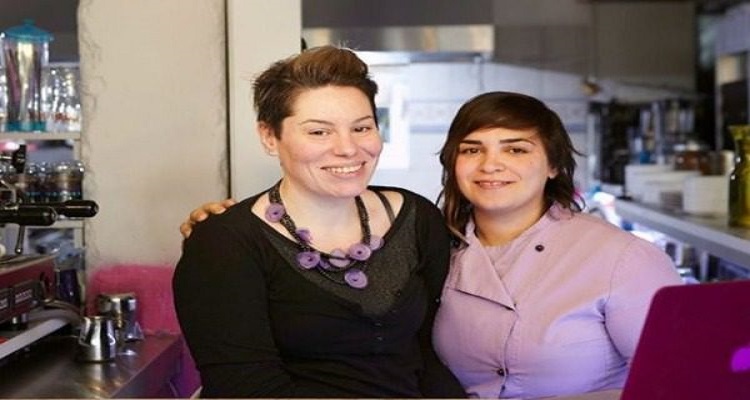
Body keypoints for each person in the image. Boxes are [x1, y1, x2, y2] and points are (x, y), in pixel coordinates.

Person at [180, 91, 683, 399]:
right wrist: (222, 226)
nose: (491, 165)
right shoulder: (432, 239)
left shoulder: (622, 258)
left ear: (553, 164)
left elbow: (683, 383)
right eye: (472, 149)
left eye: (516, 149)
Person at [172, 45, 466, 398]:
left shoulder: (417, 218)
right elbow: (245, 388)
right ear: (269, 136)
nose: (348, 148)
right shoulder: (225, 242)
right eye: (319, 132)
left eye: (362, 127)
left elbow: (427, 355)